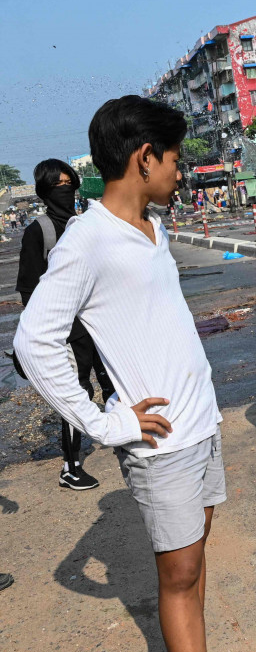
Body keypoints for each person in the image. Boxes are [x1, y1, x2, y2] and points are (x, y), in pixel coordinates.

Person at [14, 95, 228, 652]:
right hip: (160, 442)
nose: (180, 174)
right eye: (176, 161)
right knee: (179, 577)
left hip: (201, 424)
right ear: (146, 157)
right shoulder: (88, 240)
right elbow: (33, 341)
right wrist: (103, 424)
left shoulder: (152, 225)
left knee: (194, 561)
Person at [16, 159, 116, 490]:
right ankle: (70, 467)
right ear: (45, 191)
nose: (65, 189)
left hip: (98, 322)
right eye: (57, 185)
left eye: (68, 182)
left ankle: (125, 435)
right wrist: (44, 334)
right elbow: (28, 289)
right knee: (79, 392)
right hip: (68, 331)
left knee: (114, 381)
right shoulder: (38, 231)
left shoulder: (84, 225)